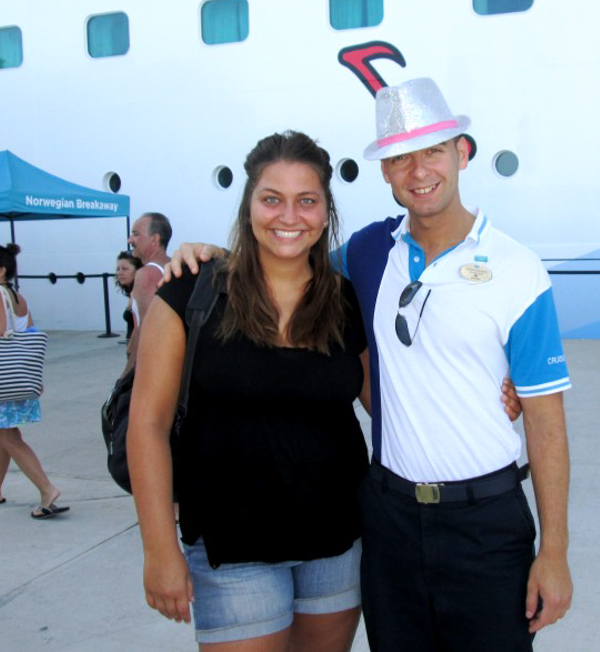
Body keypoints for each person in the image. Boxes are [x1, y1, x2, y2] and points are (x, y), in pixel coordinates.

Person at [172, 78, 574, 650]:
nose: (418, 171)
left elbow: (547, 422)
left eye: (432, 151)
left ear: (461, 153)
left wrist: (554, 551)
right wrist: (216, 255)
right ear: (385, 172)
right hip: (387, 520)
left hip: (486, 522)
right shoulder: (367, 252)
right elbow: (286, 253)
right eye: (399, 159)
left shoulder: (518, 270)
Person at [128, 132, 369, 651]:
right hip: (230, 547)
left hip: (337, 543)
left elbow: (392, 404)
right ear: (249, 205)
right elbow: (146, 423)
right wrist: (158, 549)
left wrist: (496, 394)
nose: (289, 215)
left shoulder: (345, 299)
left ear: (326, 211)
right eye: (271, 198)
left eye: (307, 200)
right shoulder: (189, 291)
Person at [0, 244, 69, 520]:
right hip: (16, 378)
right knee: (3, 436)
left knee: (7, 437)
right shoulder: (18, 298)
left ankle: (47, 490)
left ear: (1, 271)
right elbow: (30, 335)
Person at [124, 212, 172, 373]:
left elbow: (148, 332)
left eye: (136, 234)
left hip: (150, 365)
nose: (130, 240)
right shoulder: (174, 267)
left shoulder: (146, 274)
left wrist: (126, 377)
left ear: (155, 239)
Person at [115, 250, 143, 342]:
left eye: (125, 269)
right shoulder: (132, 290)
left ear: (138, 270)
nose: (120, 273)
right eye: (118, 269)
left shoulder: (141, 292)